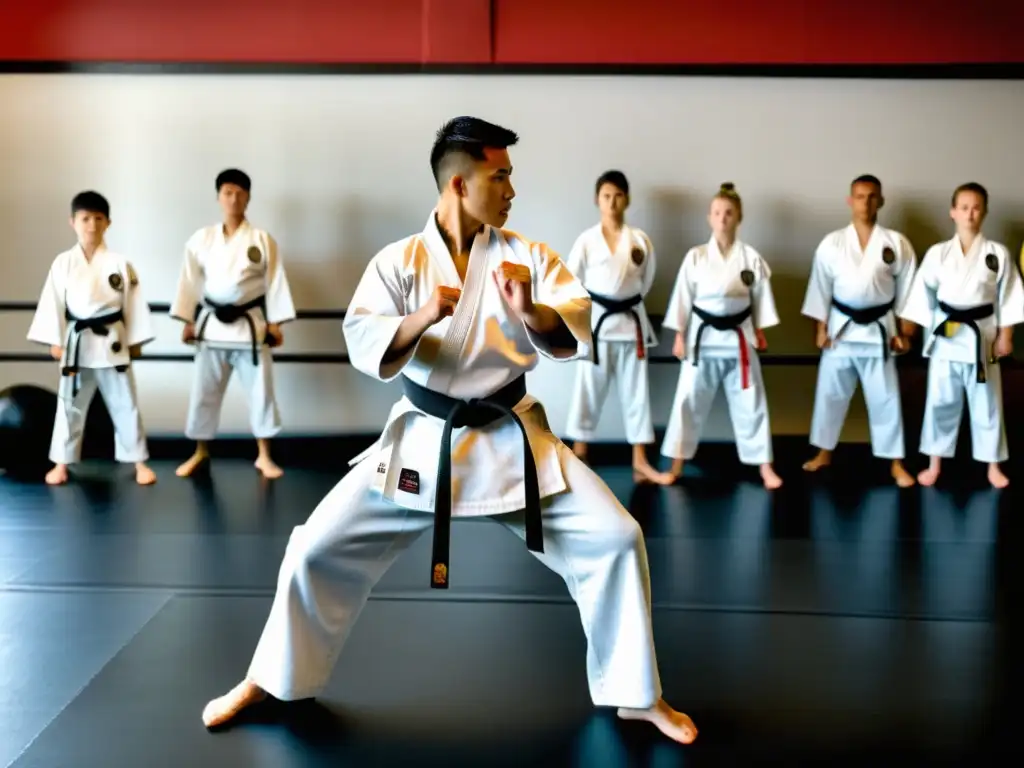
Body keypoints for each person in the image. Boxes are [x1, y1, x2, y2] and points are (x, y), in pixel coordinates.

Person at [200, 117, 697, 746]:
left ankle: (636, 694)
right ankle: (272, 680)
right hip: (424, 438)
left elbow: (570, 328)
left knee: (618, 537)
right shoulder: (399, 262)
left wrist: (532, 312)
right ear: (460, 184)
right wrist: (421, 317)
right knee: (312, 547)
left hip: (513, 436)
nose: (512, 188)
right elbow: (365, 342)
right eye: (501, 175)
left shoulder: (527, 257)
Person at [171, 169, 296, 480]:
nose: (234, 198)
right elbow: (189, 281)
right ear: (218, 197)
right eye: (228, 192)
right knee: (204, 392)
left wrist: (276, 323)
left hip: (251, 328)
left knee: (261, 393)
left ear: (248, 197)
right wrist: (187, 320)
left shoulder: (261, 240)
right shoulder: (202, 239)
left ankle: (264, 455)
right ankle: (200, 451)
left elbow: (275, 281)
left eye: (240, 192)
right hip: (211, 327)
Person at [26, 191, 156, 486]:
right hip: (77, 344)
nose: (92, 226)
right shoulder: (63, 263)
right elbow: (53, 302)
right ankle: (61, 463)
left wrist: (136, 340)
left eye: (98, 219)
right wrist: (54, 339)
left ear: (108, 223)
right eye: (85, 219)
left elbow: (133, 304)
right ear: (73, 222)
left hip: (113, 341)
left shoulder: (121, 263)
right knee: (69, 404)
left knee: (126, 402)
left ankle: (139, 462)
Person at [899, 182, 1023, 488]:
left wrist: (1006, 335)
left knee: (987, 402)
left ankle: (993, 465)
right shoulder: (938, 254)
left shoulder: (997, 253)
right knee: (941, 400)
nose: (970, 213)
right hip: (946, 336)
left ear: (985, 212)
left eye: (977, 207)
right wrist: (909, 330)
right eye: (964, 207)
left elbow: (1009, 297)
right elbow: (921, 295)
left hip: (982, 337)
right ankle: (935, 463)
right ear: (953, 212)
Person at [660, 183, 782, 489]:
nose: (723, 218)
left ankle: (765, 467)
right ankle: (676, 463)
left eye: (729, 212)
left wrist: (760, 331)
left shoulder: (750, 257)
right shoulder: (696, 256)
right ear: (709, 217)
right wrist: (679, 336)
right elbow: (683, 298)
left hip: (740, 338)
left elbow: (760, 298)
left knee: (752, 400)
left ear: (739, 217)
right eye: (717, 212)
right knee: (688, 399)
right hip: (701, 339)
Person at [800, 175, 918, 487]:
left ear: (881, 201)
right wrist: (820, 328)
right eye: (860, 196)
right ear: (850, 201)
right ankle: (823, 452)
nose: (865, 202)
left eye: (872, 196)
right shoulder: (833, 243)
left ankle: (895, 462)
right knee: (830, 394)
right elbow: (820, 288)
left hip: (881, 330)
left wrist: (906, 331)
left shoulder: (896, 243)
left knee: (886, 398)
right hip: (841, 330)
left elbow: (909, 291)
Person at [563, 170, 672, 485]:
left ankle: (640, 461)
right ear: (597, 200)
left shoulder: (640, 241)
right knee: (588, 391)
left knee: (638, 395)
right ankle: (579, 455)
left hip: (631, 325)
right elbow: (571, 282)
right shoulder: (587, 240)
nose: (612, 202)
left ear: (628, 199)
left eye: (618, 195)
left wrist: (624, 302)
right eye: (606, 196)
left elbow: (646, 281)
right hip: (597, 327)